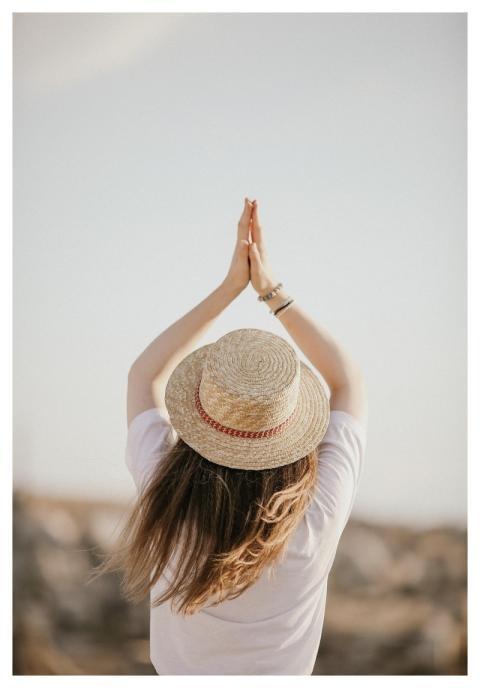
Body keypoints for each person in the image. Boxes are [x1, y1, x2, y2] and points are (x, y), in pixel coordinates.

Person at [90, 198, 368, 675]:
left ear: (203, 416)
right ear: (289, 431)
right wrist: (270, 291)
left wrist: (229, 288)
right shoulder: (315, 515)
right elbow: (347, 382)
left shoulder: (166, 495)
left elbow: (143, 375)